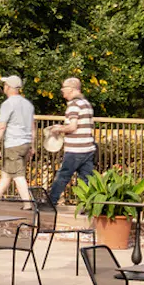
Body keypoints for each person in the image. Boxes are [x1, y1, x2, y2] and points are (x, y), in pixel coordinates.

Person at [0, 76, 40, 209]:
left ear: (8, 87)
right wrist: (32, 146)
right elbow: (32, 127)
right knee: (7, 174)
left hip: (14, 144)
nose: (4, 87)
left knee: (18, 175)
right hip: (25, 144)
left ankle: (28, 203)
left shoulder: (8, 104)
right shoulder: (27, 104)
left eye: (5, 85)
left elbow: (2, 126)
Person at [52, 77, 98, 206]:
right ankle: (88, 205)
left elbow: (72, 127)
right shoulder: (86, 104)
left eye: (63, 89)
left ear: (71, 89)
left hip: (75, 149)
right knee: (86, 179)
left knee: (63, 176)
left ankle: (51, 201)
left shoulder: (73, 105)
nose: (62, 92)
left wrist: (59, 129)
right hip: (88, 148)